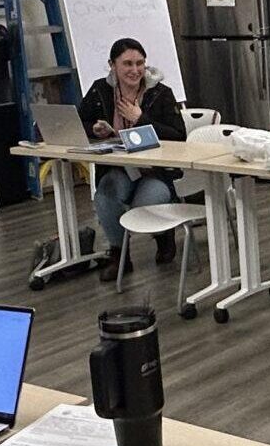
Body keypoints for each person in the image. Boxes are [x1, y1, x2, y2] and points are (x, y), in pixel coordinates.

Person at [77, 38, 190, 283]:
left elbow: (178, 135)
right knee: (104, 197)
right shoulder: (100, 90)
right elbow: (80, 121)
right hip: (120, 168)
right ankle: (119, 256)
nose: (135, 70)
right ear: (112, 65)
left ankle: (163, 234)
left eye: (140, 63)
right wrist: (94, 128)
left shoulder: (160, 93)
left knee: (143, 206)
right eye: (127, 63)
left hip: (154, 170)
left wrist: (141, 119)